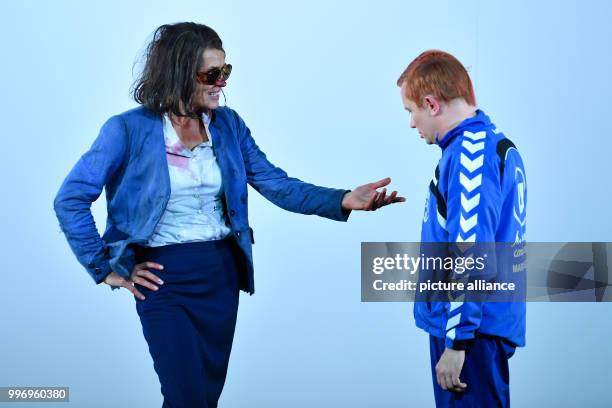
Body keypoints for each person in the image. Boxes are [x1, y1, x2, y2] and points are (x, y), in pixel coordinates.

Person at [53, 22, 404, 408]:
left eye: (225, 72)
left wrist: (342, 199)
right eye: (211, 74)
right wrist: (105, 268)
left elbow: (275, 183)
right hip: (163, 279)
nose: (222, 82)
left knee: (205, 397)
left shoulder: (228, 125)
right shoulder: (127, 130)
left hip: (220, 274)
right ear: (178, 73)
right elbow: (70, 198)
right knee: (184, 397)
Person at [396, 50, 526, 407]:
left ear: (431, 103)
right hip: (478, 326)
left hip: (471, 332)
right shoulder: (491, 144)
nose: (411, 123)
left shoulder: (471, 154)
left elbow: (470, 251)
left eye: (411, 111)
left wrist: (457, 341)